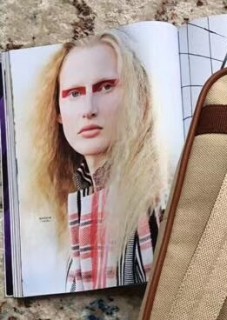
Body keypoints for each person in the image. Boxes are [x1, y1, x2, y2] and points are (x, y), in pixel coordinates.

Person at [30, 31, 166, 292]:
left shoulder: (158, 199)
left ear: (138, 97)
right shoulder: (76, 201)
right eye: (74, 93)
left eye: (105, 87)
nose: (89, 109)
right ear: (57, 113)